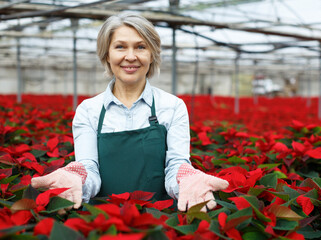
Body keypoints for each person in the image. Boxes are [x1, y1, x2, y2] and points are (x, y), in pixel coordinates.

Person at [31, 13, 228, 212]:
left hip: (159, 218)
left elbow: (176, 164)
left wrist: (187, 178)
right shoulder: (88, 110)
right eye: (120, 47)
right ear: (107, 54)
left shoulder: (172, 106)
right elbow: (90, 169)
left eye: (141, 47)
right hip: (105, 220)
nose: (131, 56)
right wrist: (76, 177)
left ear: (152, 55)